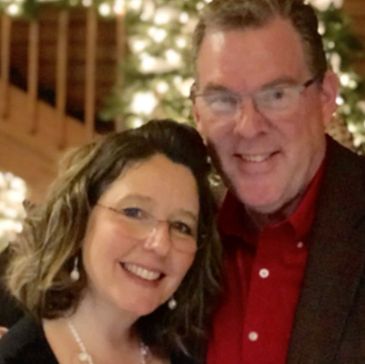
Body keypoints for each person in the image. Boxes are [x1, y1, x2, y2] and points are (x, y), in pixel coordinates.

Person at [190, 0, 365, 363]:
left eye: (276, 95)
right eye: (223, 99)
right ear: (197, 114)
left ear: (325, 98)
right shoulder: (179, 240)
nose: (249, 127)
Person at [0, 119, 221, 364]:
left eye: (181, 226)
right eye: (134, 212)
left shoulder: (194, 356)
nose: (160, 244)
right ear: (80, 217)